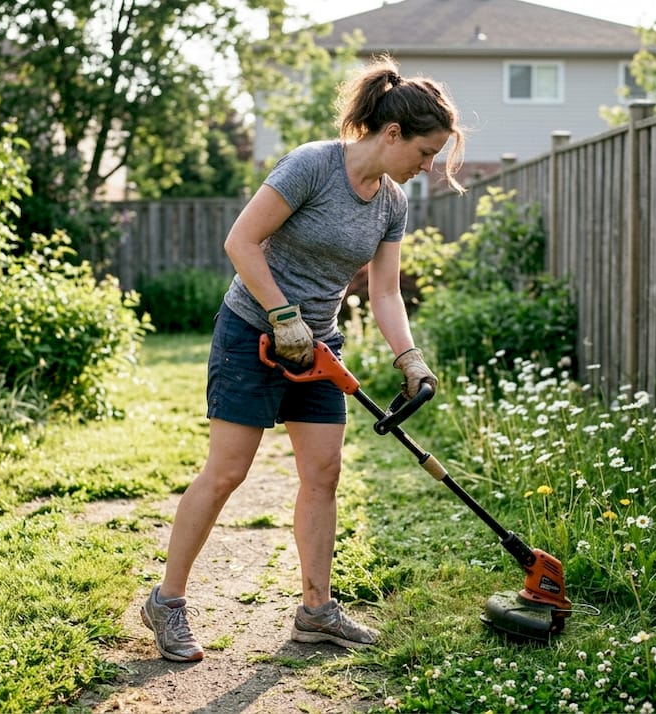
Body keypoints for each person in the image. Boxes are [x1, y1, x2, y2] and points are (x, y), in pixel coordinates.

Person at [140, 55, 466, 663]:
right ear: (391, 133)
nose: (426, 168)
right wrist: (282, 314)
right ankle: (168, 600)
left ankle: (316, 611)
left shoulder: (391, 202)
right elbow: (241, 241)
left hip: (319, 347)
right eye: (424, 153)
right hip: (251, 334)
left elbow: (385, 290)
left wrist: (410, 357)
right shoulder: (313, 165)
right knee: (227, 472)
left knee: (323, 475)